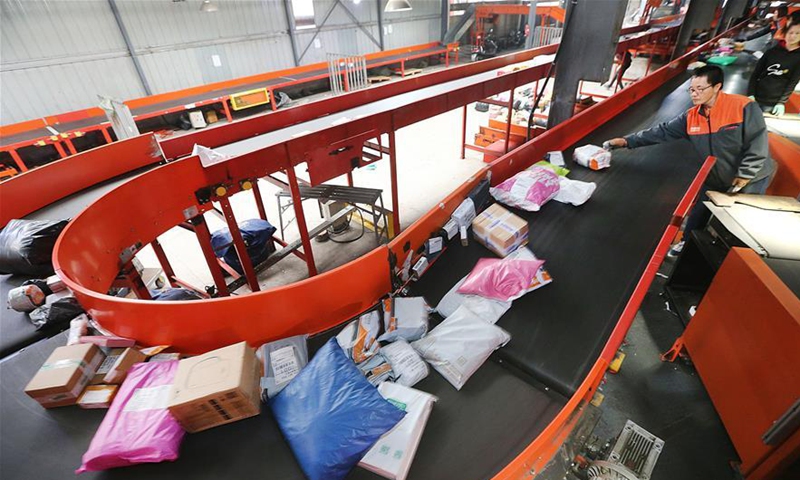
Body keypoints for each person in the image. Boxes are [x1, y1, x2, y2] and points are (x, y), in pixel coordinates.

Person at [605, 65, 776, 254]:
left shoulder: (743, 107)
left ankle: (730, 256)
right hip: (715, 174)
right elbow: (661, 132)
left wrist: (746, 173)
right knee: (699, 212)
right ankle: (686, 243)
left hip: (751, 176)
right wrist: (626, 141)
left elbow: (758, 142)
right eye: (692, 90)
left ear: (717, 87)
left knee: (739, 220)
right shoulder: (691, 117)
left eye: (700, 89)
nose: (694, 94)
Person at [750, 22, 800, 116]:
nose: (793, 36)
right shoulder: (771, 52)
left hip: (774, 102)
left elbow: (793, 82)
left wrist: (781, 102)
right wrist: (750, 94)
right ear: (785, 33)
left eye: (797, 33)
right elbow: (755, 74)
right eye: (790, 32)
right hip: (757, 96)